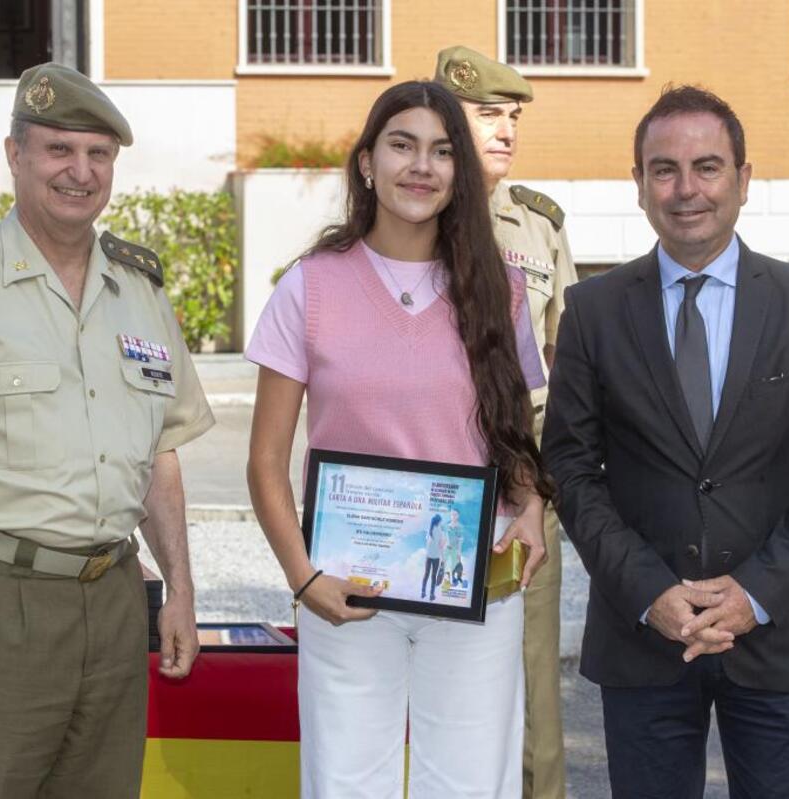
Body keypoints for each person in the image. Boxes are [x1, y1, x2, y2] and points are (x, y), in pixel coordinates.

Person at [0, 62, 214, 798]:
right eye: (58, 149)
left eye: (98, 154)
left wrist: (180, 586)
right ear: (15, 155)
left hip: (114, 599)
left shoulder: (139, 289)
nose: (79, 172)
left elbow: (158, 453)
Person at [541, 85, 789, 797]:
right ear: (638, 186)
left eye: (708, 167)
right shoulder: (593, 311)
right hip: (643, 637)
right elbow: (569, 463)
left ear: (744, 180)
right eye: (663, 169)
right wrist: (647, 589)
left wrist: (756, 591)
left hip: (774, 637)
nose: (685, 189)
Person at [245, 80, 551, 798]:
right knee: (348, 782)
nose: (422, 166)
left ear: (460, 174)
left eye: (443, 151)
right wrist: (304, 577)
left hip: (473, 586)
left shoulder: (499, 290)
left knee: (472, 783)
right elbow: (264, 461)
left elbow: (516, 431)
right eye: (403, 145)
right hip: (347, 590)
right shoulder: (311, 286)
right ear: (366, 164)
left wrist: (532, 504)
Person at [434, 44, 578, 799]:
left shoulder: (539, 225)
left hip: (523, 492)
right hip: (435, 489)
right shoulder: (407, 217)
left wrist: (546, 493)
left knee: (534, 694)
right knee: (436, 683)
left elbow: (567, 368)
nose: (505, 129)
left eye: (512, 116)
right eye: (487, 114)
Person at [421, 513, 444, 600]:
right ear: (438, 522)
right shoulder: (439, 531)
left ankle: (423, 592)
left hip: (428, 556)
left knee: (426, 574)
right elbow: (440, 545)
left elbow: (428, 542)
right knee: (433, 576)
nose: (441, 523)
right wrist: (443, 558)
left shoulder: (430, 529)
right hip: (436, 557)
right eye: (441, 521)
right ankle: (431, 594)